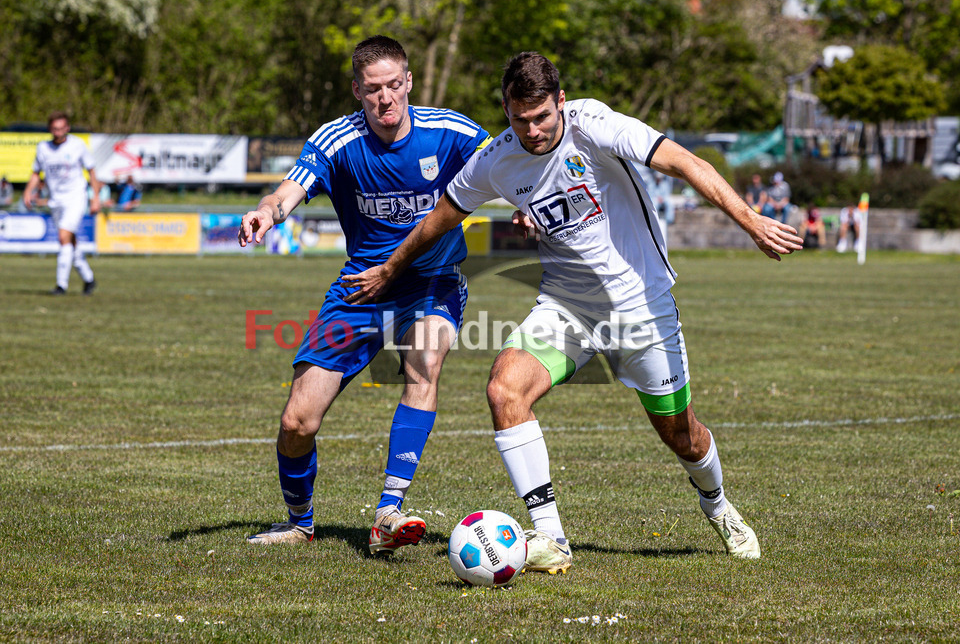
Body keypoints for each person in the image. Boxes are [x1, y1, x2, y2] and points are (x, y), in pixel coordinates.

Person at [344, 52, 803, 573]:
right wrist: (390, 268)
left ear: (560, 102)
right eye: (520, 120)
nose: (533, 130)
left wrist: (750, 220)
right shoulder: (497, 159)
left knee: (682, 434)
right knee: (504, 389)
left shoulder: (596, 125)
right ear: (506, 111)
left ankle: (718, 506)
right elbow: (440, 217)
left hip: (641, 306)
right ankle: (552, 538)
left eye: (542, 117)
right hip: (567, 306)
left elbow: (685, 162)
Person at [237, 35, 492, 555]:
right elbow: (289, 190)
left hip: (432, 281)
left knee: (424, 364)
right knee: (297, 420)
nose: (385, 98)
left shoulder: (452, 131)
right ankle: (300, 522)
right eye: (373, 88)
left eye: (394, 85)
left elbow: (509, 164)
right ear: (357, 90)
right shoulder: (338, 140)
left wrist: (527, 206)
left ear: (409, 81)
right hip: (361, 288)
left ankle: (388, 512)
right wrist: (266, 212)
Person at [23, 112, 102, 295]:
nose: (58, 132)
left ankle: (61, 285)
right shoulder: (43, 148)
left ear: (67, 128)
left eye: (61, 128)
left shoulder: (77, 145)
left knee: (63, 236)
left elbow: (91, 171)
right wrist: (28, 192)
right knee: (70, 241)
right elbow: (36, 173)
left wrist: (95, 198)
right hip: (55, 200)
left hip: (76, 197)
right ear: (50, 129)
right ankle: (88, 278)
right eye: (54, 129)